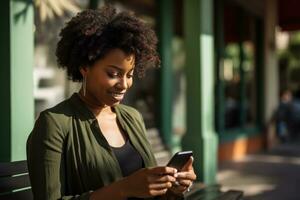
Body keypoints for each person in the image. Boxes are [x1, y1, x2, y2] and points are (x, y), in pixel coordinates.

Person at [26, 6, 196, 200]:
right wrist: (123, 189)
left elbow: (149, 191)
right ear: (85, 67)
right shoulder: (54, 124)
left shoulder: (132, 117)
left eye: (129, 75)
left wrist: (172, 187)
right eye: (113, 74)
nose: (124, 84)